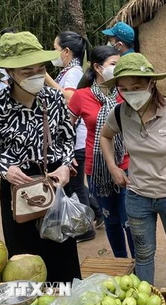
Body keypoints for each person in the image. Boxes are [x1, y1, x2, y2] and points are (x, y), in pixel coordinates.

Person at [0, 31, 80, 282]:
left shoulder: (53, 98)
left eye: (41, 69)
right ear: (10, 72)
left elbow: (67, 136)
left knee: (62, 251)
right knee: (25, 261)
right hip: (17, 184)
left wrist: (64, 164)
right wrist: (1, 168)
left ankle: (66, 304)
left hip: (54, 179)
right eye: (27, 71)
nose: (37, 76)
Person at [99, 53, 166, 286]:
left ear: (152, 84)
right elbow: (104, 136)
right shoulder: (121, 113)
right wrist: (113, 167)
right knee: (143, 254)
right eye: (124, 88)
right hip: (137, 197)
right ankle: (145, 302)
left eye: (137, 86)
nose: (131, 93)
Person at [68, 45, 135, 258]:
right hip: (96, 169)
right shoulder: (81, 96)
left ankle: (138, 265)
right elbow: (65, 129)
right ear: (97, 67)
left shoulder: (125, 93)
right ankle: (121, 262)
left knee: (130, 221)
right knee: (111, 221)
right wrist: (66, 156)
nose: (118, 68)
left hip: (126, 166)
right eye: (113, 64)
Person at [44, 31, 95, 242]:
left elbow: (71, 97)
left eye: (55, 49)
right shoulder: (67, 71)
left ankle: (86, 228)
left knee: (75, 185)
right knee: (76, 184)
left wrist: (45, 77)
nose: (53, 53)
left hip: (76, 138)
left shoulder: (73, 72)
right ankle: (96, 215)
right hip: (72, 137)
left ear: (66, 51)